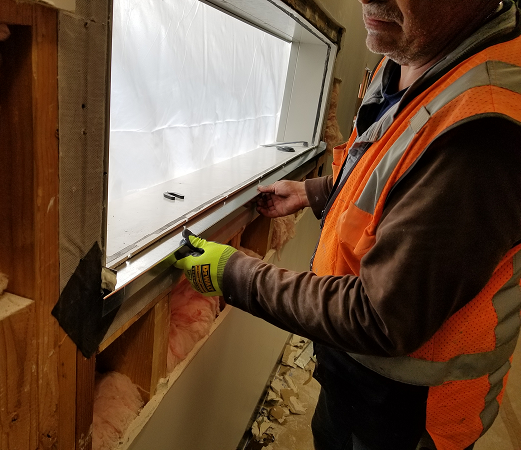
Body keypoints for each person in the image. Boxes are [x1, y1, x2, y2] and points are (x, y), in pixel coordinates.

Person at [175, 0, 521, 449]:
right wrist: (316, 192)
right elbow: (392, 173)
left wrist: (233, 275)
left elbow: (380, 317)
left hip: (407, 408)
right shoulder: (411, 54)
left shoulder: (481, 134)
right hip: (356, 373)